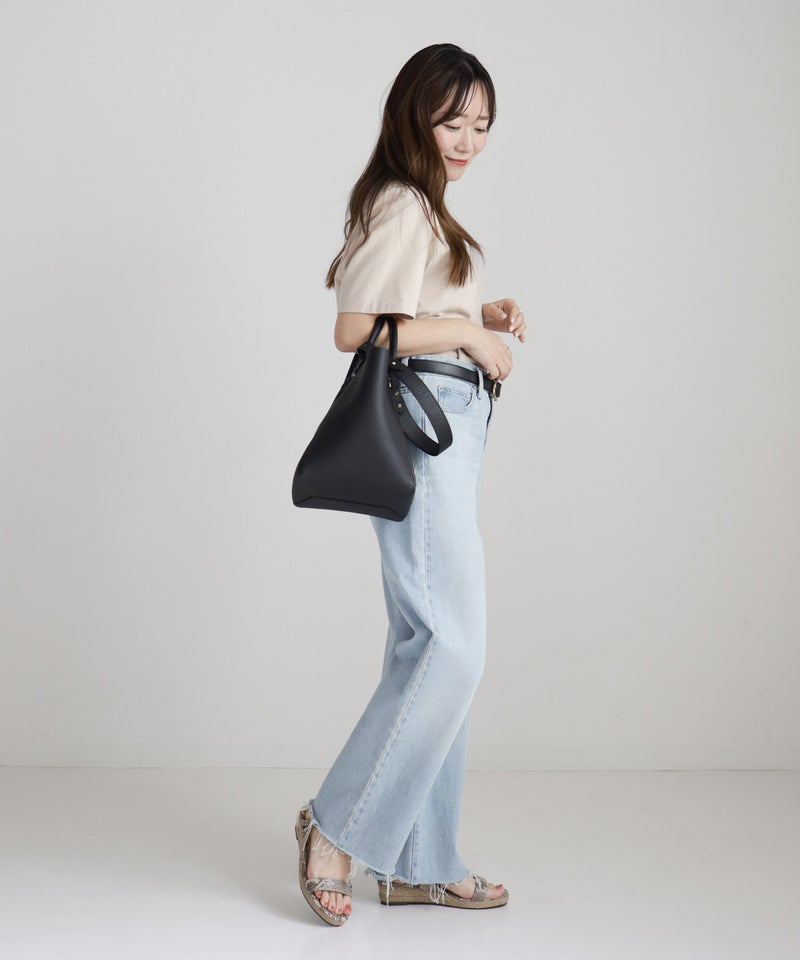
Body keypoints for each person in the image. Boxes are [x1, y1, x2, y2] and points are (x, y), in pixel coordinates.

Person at [295, 43, 526, 927]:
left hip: (448, 429)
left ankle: (420, 861)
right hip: (426, 432)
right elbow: (357, 328)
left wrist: (475, 310)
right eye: (451, 121)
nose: (467, 141)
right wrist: (465, 336)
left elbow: (406, 310)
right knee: (451, 647)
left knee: (431, 648)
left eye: (482, 126)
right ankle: (334, 827)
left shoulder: (424, 205)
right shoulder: (402, 201)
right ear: (414, 116)